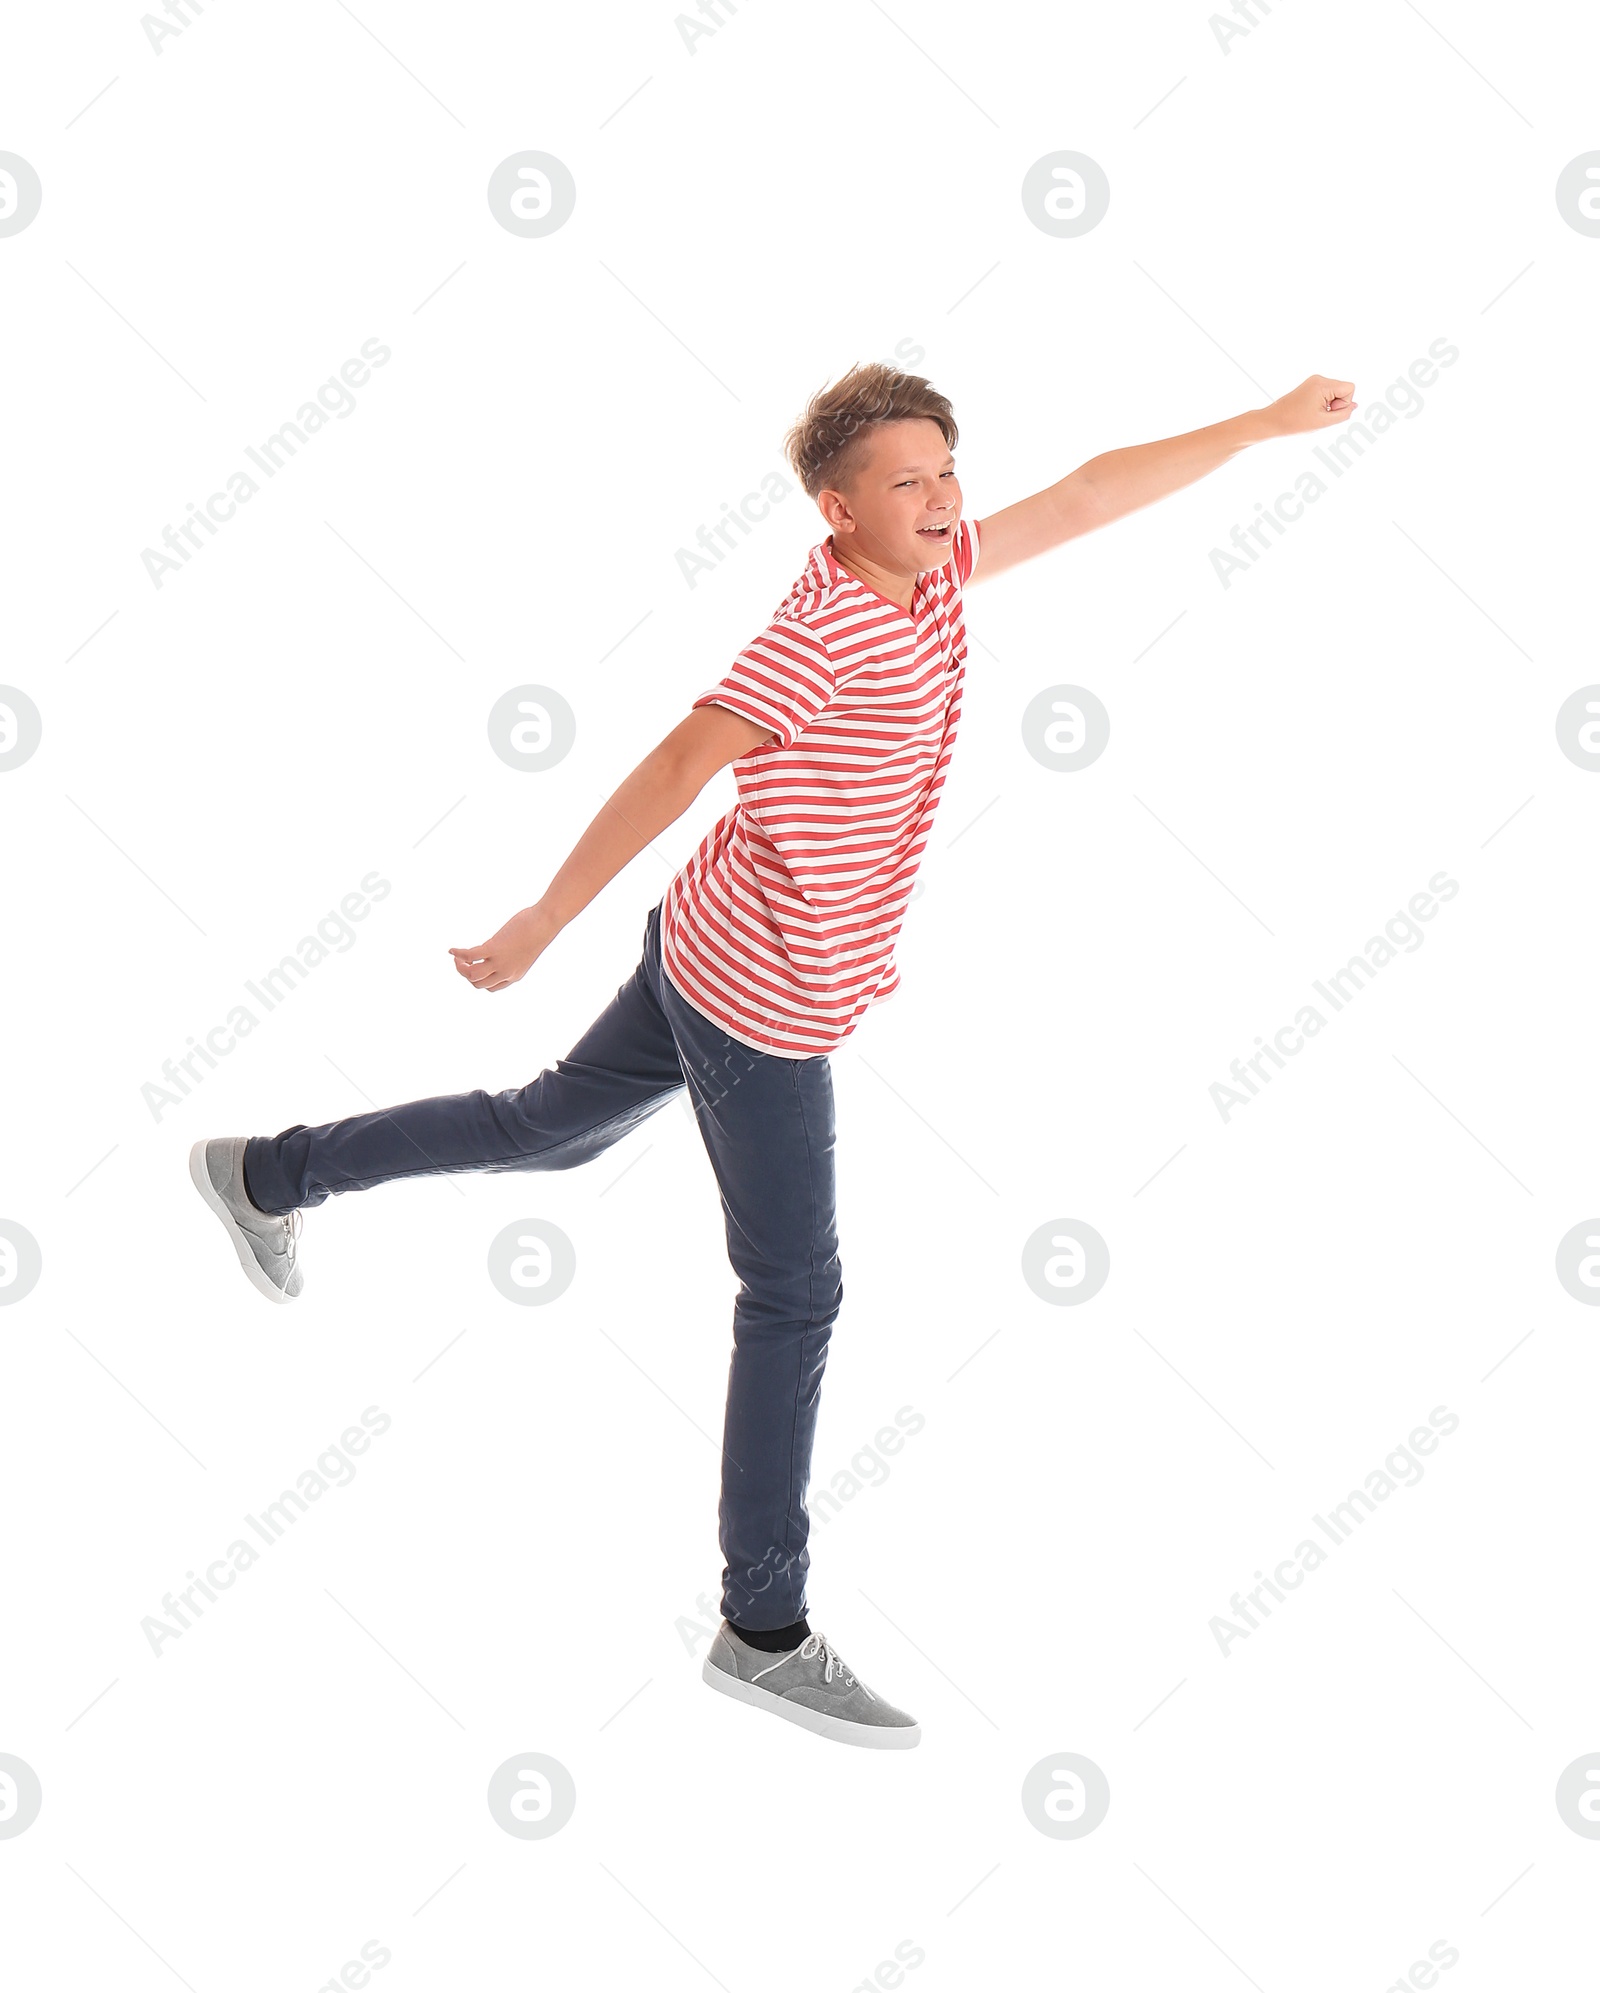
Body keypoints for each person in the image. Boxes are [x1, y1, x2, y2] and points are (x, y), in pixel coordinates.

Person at [191, 359, 1355, 1748]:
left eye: (945, 472)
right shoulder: (816, 637)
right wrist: (544, 916)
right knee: (796, 1293)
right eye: (903, 481)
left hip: (706, 935)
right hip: (757, 1000)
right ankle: (763, 1626)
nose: (938, 499)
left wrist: (1266, 424)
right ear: (834, 505)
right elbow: (683, 762)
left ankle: (266, 1169)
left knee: (541, 1128)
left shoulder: (929, 574)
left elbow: (1094, 491)